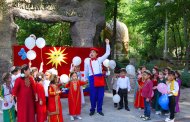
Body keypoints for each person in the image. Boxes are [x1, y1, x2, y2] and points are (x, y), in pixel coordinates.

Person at [84, 39, 110, 116]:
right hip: (92, 78)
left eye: (93, 52)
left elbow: (107, 53)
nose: (91, 53)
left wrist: (107, 44)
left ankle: (99, 110)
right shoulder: (87, 61)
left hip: (99, 78)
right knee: (93, 95)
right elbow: (86, 71)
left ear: (96, 54)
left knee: (100, 96)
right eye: (91, 52)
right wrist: (86, 79)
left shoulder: (99, 60)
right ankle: (92, 109)